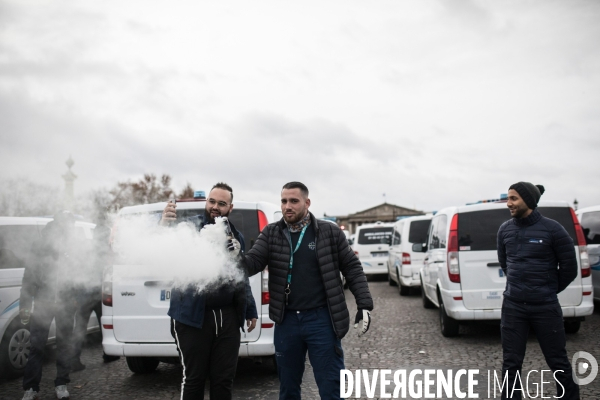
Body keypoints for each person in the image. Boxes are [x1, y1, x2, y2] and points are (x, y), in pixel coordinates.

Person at [242, 181, 373, 400]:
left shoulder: (328, 232)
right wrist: (233, 256)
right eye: (283, 201)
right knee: (288, 388)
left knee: (331, 386)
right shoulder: (272, 233)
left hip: (321, 319)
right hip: (287, 321)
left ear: (307, 202)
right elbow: (252, 263)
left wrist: (364, 304)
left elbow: (352, 267)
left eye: (294, 201)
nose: (287, 206)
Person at [162, 182, 258, 400]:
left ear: (230, 208)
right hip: (193, 317)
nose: (215, 207)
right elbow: (166, 245)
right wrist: (164, 225)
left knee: (223, 380)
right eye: (212, 201)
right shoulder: (190, 228)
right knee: (194, 378)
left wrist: (250, 309)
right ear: (206, 202)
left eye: (222, 204)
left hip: (228, 317)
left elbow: (240, 275)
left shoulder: (236, 237)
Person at [497, 182, 579, 400]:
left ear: (528, 200)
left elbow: (569, 268)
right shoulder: (505, 229)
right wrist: (520, 287)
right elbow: (505, 263)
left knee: (557, 360)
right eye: (508, 198)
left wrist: (547, 289)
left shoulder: (553, 229)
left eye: (513, 198)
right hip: (513, 307)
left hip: (545, 307)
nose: (509, 203)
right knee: (511, 362)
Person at [20, 211, 87, 400]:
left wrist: (76, 299)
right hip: (43, 302)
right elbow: (29, 277)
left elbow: (80, 275)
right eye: (70, 225)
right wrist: (25, 304)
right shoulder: (41, 244)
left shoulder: (72, 247)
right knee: (36, 346)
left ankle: (61, 383)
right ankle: (31, 388)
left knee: (64, 344)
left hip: (65, 303)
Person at [70, 211, 120, 372]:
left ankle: (74, 359)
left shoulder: (87, 250)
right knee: (104, 324)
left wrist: (76, 294)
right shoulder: (107, 251)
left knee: (80, 328)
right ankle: (108, 353)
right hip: (99, 293)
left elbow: (77, 272)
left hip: (85, 293)